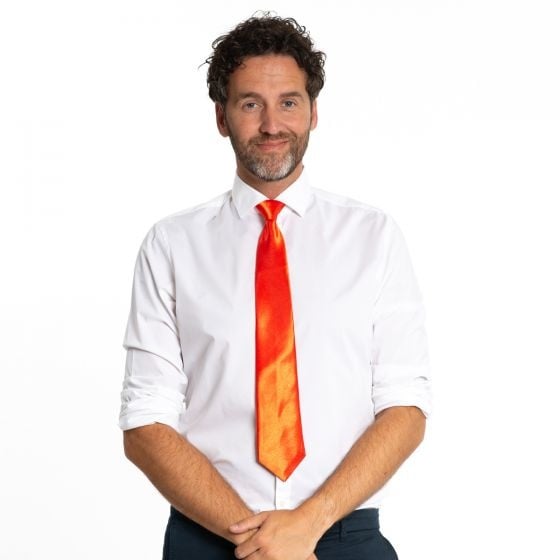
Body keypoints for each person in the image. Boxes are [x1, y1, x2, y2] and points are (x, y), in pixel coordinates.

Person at [119, 14, 431, 560]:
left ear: (313, 111)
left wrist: (306, 525)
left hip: (343, 533)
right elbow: (145, 420)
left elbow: (405, 407)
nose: (271, 124)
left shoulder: (373, 237)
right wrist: (261, 540)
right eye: (249, 104)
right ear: (221, 117)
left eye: (288, 102)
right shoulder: (171, 245)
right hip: (209, 536)